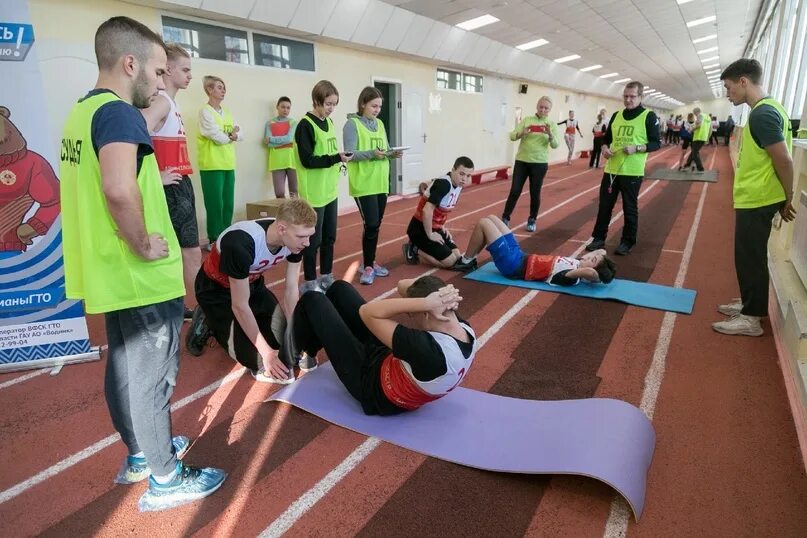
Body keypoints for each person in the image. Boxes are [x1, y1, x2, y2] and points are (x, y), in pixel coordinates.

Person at [59, 16, 224, 511]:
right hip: (138, 274)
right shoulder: (119, 114)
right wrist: (141, 244)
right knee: (153, 377)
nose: (159, 83)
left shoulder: (79, 112)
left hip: (109, 273)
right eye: (155, 72)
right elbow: (116, 187)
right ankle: (166, 479)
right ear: (129, 63)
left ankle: (139, 455)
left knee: (125, 369)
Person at [290, 273, 477, 415]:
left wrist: (424, 304)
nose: (412, 317)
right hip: (391, 362)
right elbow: (403, 286)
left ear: (427, 312)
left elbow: (367, 312)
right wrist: (435, 298)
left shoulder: (428, 350)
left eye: (415, 314)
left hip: (372, 387)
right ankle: (310, 351)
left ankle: (287, 360)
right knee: (340, 289)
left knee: (313, 300)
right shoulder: (464, 329)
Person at [186, 198, 317, 381]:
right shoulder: (240, 243)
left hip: (252, 285)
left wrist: (294, 333)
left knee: (285, 344)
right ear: (281, 229)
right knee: (258, 359)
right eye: (302, 237)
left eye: (309, 236)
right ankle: (207, 318)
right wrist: (267, 355)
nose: (308, 243)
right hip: (216, 291)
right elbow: (239, 305)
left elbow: (291, 291)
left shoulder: (295, 240)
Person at [712, 58, 796, 337]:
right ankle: (751, 304)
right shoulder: (768, 109)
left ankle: (751, 319)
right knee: (750, 256)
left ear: (743, 81)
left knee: (750, 257)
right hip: (758, 196)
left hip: (759, 198)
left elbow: (783, 159)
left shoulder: (762, 114)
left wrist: (789, 196)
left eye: (728, 86)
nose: (727, 93)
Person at [141, 43, 199, 321]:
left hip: (179, 182)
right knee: (187, 250)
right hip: (172, 187)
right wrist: (155, 176)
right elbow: (136, 133)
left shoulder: (170, 103)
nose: (190, 76)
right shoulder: (161, 101)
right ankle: (201, 307)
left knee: (184, 249)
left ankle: (185, 305)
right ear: (170, 69)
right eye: (185, 70)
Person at [585, 81, 660, 256]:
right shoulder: (616, 115)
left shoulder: (649, 116)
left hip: (632, 171)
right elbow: (606, 138)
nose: (628, 100)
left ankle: (627, 241)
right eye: (625, 96)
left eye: (632, 97)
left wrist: (637, 148)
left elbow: (657, 143)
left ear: (641, 97)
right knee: (604, 206)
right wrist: (604, 148)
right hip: (611, 170)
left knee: (629, 207)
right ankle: (598, 238)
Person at [295, 79, 351, 293]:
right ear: (316, 101)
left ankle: (326, 276)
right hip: (314, 193)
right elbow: (307, 160)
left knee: (329, 237)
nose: (331, 109)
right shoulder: (305, 125)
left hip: (329, 190)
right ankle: (310, 281)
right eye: (328, 104)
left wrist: (339, 158)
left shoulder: (329, 123)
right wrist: (335, 158)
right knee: (313, 240)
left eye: (334, 104)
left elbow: (330, 153)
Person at [343, 86, 402, 285]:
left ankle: (370, 261)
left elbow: (382, 150)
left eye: (379, 107)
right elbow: (349, 155)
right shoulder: (352, 124)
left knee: (375, 225)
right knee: (371, 224)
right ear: (363, 104)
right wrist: (371, 154)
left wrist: (392, 153)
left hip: (380, 182)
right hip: (363, 183)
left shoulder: (380, 124)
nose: (377, 110)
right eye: (373, 106)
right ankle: (367, 266)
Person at [458, 215, 616, 285]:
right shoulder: (579, 263)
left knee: (483, 223)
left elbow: (593, 273)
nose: (588, 257)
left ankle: (467, 260)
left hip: (513, 266)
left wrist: (599, 277)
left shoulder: (571, 278)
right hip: (520, 255)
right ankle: (471, 257)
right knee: (492, 218)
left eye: (592, 261)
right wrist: (602, 264)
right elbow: (602, 252)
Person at [402, 156, 475, 271]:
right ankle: (414, 248)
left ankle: (422, 245)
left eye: (468, 176)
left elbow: (441, 209)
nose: (464, 179)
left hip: (435, 227)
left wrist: (442, 226)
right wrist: (430, 234)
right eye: (461, 174)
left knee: (456, 255)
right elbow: (427, 210)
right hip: (419, 229)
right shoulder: (444, 185)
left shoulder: (458, 185)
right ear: (453, 170)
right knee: (450, 262)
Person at [197, 75, 242, 250]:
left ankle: (225, 235)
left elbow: (241, 133)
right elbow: (217, 137)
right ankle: (214, 238)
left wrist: (234, 135)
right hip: (211, 165)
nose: (223, 90)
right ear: (209, 90)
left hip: (228, 163)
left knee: (228, 203)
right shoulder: (205, 111)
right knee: (215, 203)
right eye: (218, 87)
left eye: (223, 87)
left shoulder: (228, 112)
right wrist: (232, 135)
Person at [502, 96, 559, 232]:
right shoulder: (527, 120)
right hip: (522, 161)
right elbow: (512, 136)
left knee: (535, 193)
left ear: (550, 110)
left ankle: (532, 219)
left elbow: (556, 145)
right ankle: (505, 218)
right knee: (515, 190)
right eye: (541, 107)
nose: (543, 110)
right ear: (537, 106)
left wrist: (550, 134)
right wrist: (523, 132)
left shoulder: (551, 124)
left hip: (539, 164)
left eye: (546, 108)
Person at [264, 96, 298, 199]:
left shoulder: (293, 123)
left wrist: (272, 139)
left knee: (294, 192)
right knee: (279, 193)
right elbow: (268, 143)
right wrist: (282, 141)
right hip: (276, 161)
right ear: (277, 107)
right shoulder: (270, 123)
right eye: (283, 107)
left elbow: (289, 139)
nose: (285, 110)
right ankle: (284, 215)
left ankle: (296, 215)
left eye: (288, 108)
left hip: (291, 160)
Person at [683, 106, 709, 172]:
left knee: (695, 153)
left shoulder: (700, 116)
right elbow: (710, 128)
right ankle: (687, 164)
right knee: (694, 151)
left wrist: (691, 129)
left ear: (697, 112)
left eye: (694, 113)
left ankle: (700, 168)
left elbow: (698, 125)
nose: (694, 115)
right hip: (703, 137)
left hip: (698, 137)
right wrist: (707, 137)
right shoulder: (707, 117)